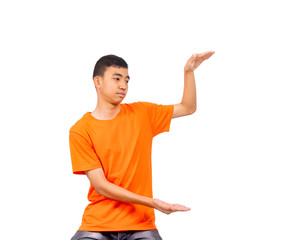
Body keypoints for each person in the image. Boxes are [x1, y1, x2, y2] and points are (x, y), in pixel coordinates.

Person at [69, 52, 214, 240]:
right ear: (98, 81)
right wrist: (152, 202)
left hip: (141, 225)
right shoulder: (80, 130)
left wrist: (189, 72)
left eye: (127, 80)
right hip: (98, 225)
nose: (123, 86)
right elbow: (101, 186)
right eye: (117, 78)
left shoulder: (142, 114)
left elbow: (187, 107)